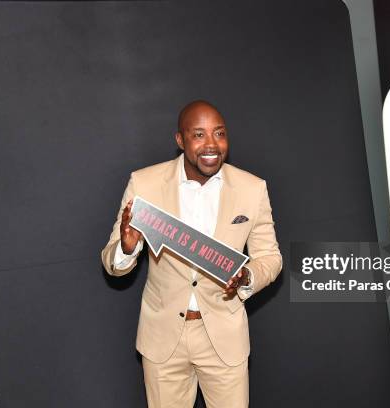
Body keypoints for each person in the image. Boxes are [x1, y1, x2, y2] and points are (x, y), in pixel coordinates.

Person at [101, 100, 282, 408]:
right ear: (180, 140)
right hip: (162, 338)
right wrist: (127, 249)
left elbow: (270, 257)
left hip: (224, 337)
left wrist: (247, 276)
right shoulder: (144, 184)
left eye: (219, 133)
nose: (211, 144)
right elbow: (111, 261)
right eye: (199, 134)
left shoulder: (253, 188)